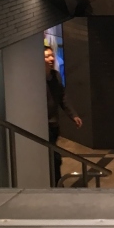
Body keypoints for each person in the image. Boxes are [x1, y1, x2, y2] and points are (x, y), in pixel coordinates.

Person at [45, 46, 82, 186]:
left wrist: (73, 115)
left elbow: (62, 97)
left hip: (54, 124)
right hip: (43, 125)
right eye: (47, 56)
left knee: (53, 156)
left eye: (52, 55)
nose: (51, 59)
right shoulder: (35, 80)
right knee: (55, 157)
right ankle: (56, 185)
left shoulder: (56, 76)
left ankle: (55, 184)